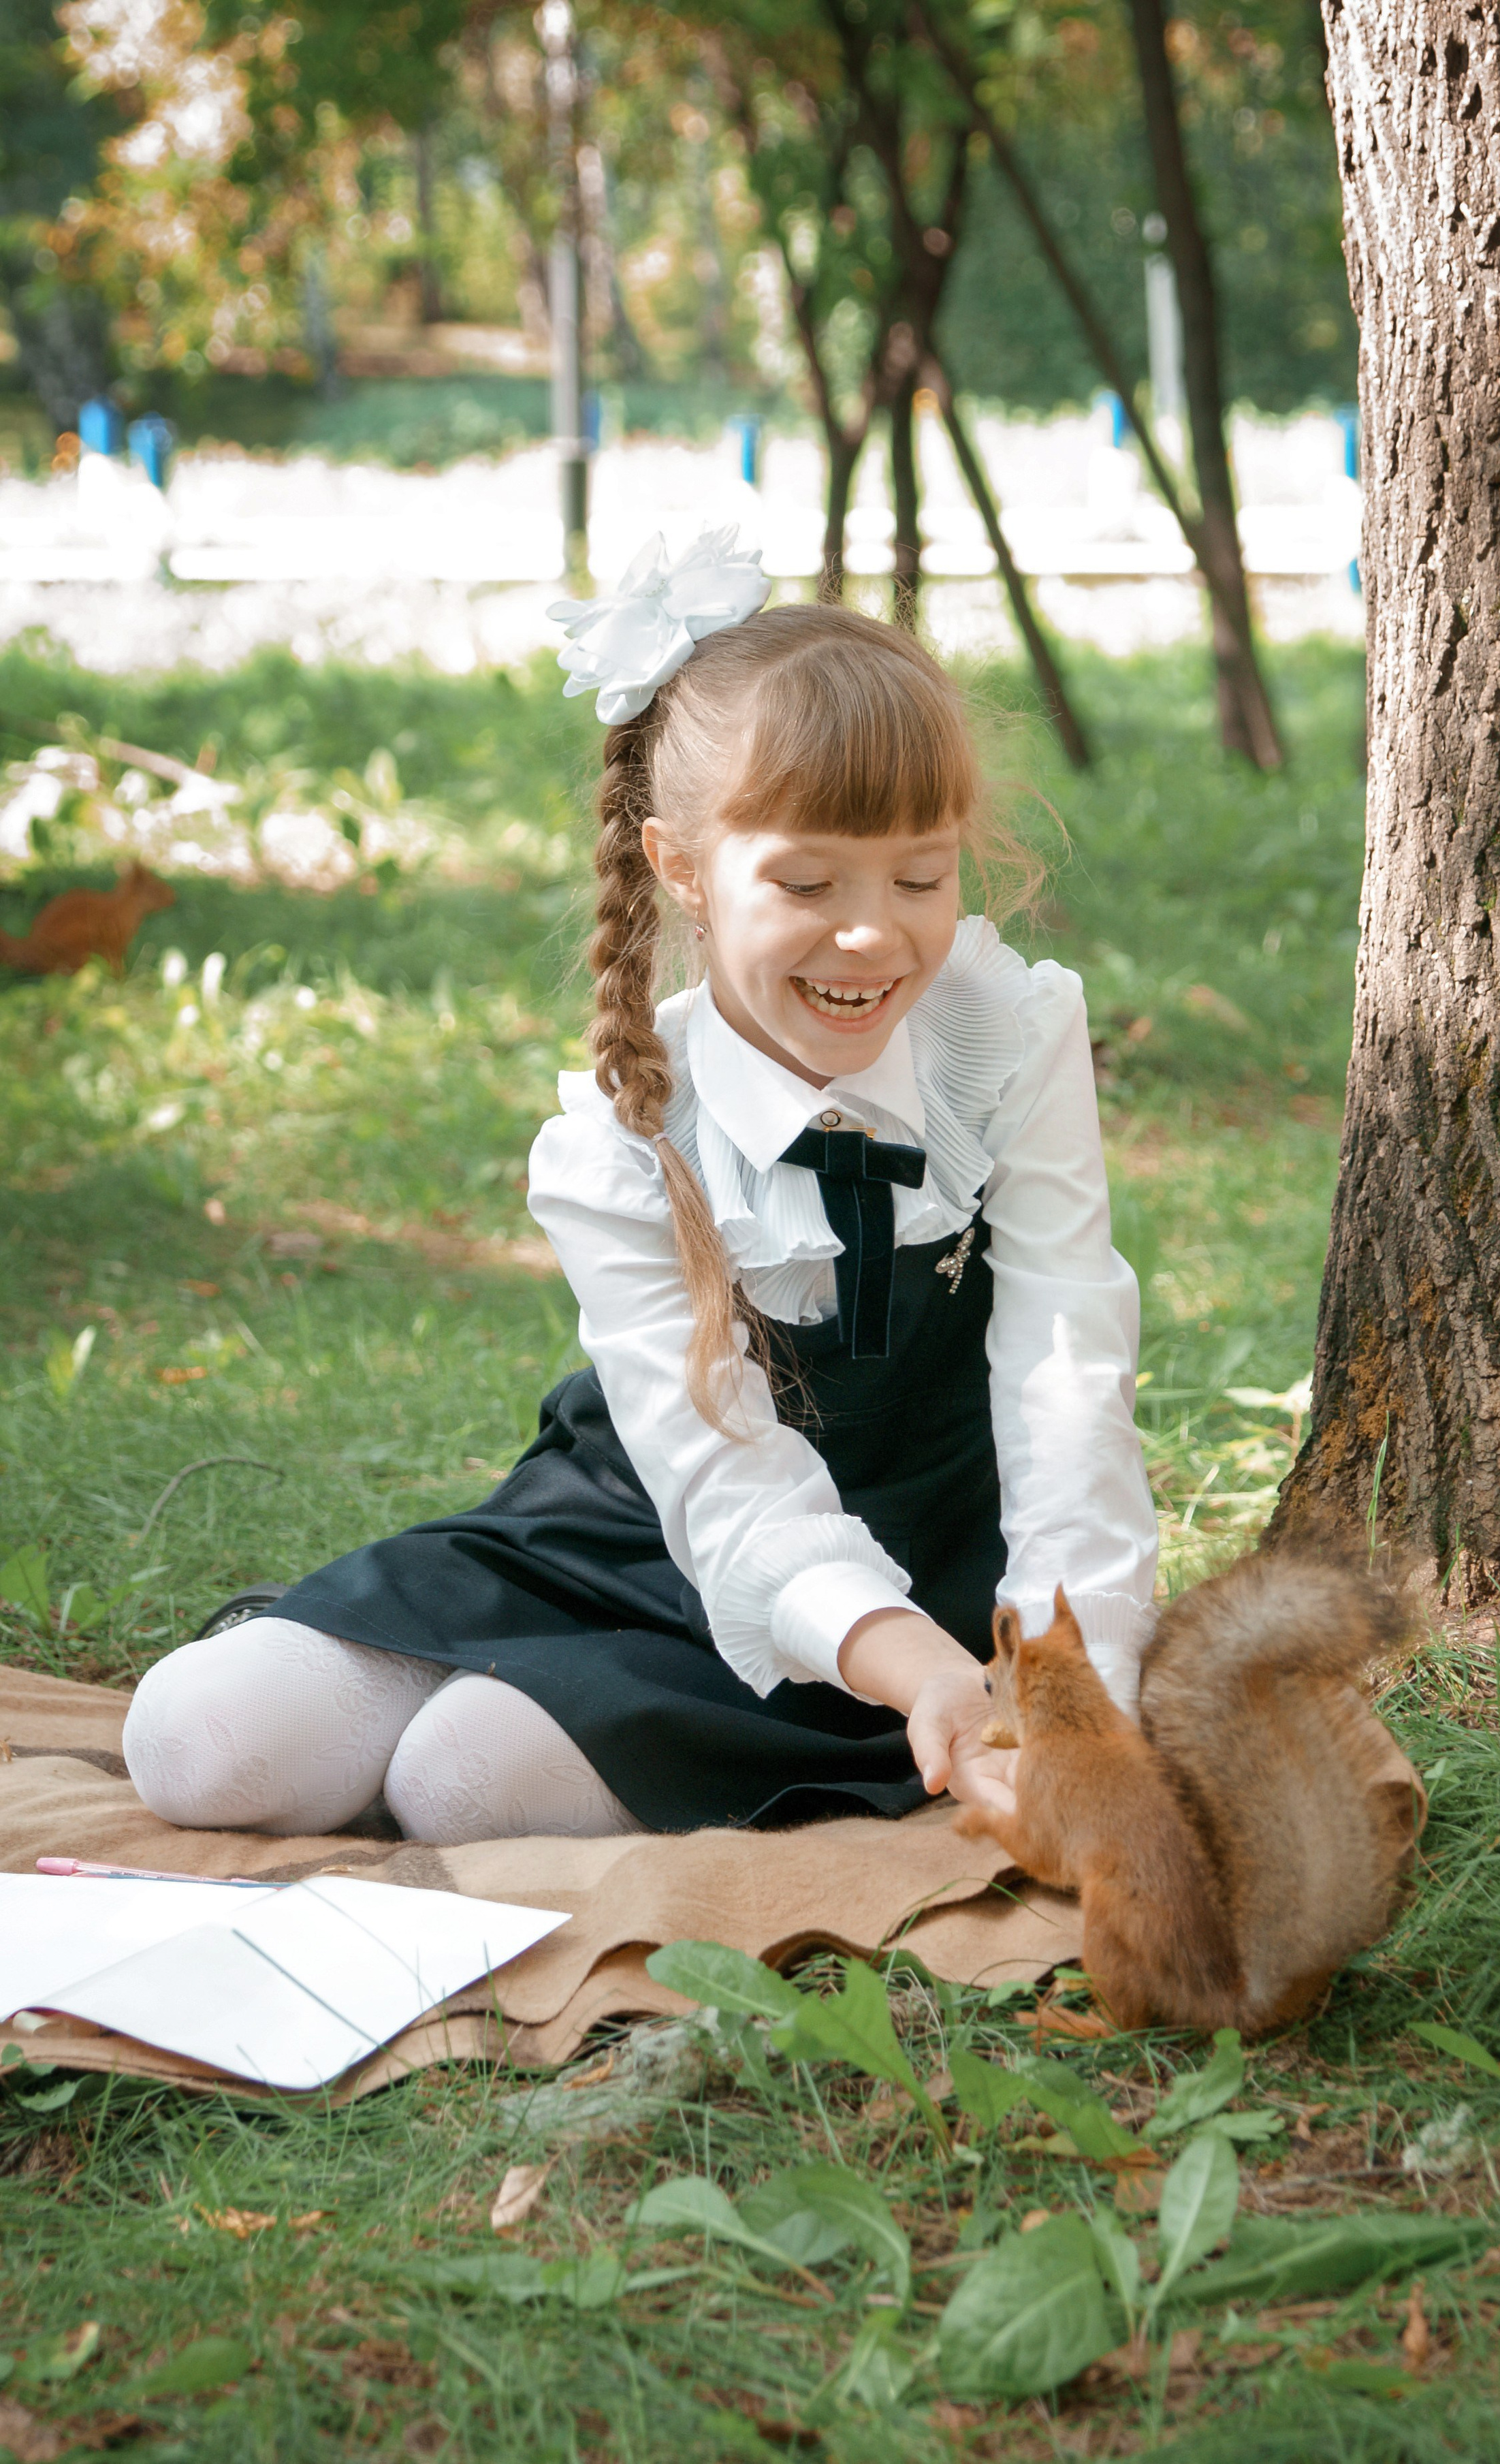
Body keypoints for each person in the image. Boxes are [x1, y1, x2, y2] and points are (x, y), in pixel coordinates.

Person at [122, 529, 1158, 1846]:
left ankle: (574, 1720)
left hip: (908, 1569)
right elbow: (721, 1485)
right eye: (806, 879)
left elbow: (1065, 1371)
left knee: (463, 1784)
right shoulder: (622, 1137)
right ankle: (483, 1668)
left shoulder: (1007, 1037)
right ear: (682, 867)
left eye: (921, 873)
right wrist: (926, 1672)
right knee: (194, 1743)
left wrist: (1061, 1682)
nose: (874, 932)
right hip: (642, 1523)